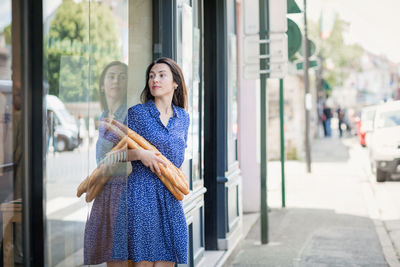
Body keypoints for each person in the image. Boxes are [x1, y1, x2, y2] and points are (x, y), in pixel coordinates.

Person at [111, 57, 190, 267]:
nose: (155, 79)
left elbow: (179, 159)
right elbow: (113, 156)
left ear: (175, 83)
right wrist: (140, 155)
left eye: (161, 75)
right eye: (152, 76)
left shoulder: (183, 117)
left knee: (167, 261)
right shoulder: (137, 114)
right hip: (140, 196)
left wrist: (181, 182)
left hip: (171, 199)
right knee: (143, 263)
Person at [83, 61, 130, 266]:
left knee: (119, 258)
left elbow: (131, 159)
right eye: (111, 76)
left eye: (122, 76)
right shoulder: (103, 116)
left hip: (123, 193)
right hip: (104, 193)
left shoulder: (129, 115)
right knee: (110, 258)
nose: (116, 81)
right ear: (102, 84)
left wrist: (111, 166)